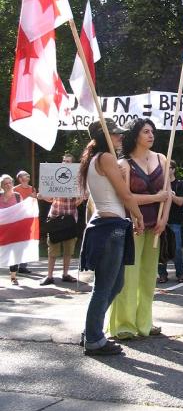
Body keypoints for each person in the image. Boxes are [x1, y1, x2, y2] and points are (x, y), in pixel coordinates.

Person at [79, 118, 144, 356]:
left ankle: (91, 330)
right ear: (103, 136)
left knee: (114, 284)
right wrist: (138, 217)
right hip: (110, 226)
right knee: (105, 286)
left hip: (109, 224)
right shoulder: (105, 158)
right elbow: (125, 193)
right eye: (115, 134)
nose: (120, 137)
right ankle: (94, 338)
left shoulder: (96, 159)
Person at [107, 118, 171, 341]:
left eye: (152, 131)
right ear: (136, 135)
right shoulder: (123, 164)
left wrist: (164, 219)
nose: (151, 135)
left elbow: (168, 194)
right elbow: (125, 197)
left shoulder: (162, 159)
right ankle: (124, 324)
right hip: (132, 224)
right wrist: (155, 198)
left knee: (148, 276)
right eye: (146, 131)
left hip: (155, 226)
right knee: (128, 275)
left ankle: (145, 322)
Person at [39, 154, 85, 286]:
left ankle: (65, 274)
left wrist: (79, 197)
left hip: (70, 218)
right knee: (52, 249)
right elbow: (49, 199)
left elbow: (78, 202)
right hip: (55, 217)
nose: (65, 162)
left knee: (68, 250)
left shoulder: (78, 179)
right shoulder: (54, 176)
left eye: (68, 161)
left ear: (73, 164)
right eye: (64, 160)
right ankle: (49, 276)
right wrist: (43, 195)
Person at [157, 160, 183, 283]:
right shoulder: (159, 184)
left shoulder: (180, 184)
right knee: (161, 249)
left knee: (177, 249)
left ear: (173, 169)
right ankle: (162, 274)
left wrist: (169, 194)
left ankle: (180, 273)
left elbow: (180, 202)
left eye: (168, 167)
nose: (165, 170)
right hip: (160, 220)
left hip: (174, 221)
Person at [0, 174, 23, 286]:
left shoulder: (18, 196)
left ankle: (13, 276)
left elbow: (23, 210)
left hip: (14, 229)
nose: (8, 185)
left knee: (14, 252)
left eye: (10, 183)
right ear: (1, 186)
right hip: (1, 229)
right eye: (5, 183)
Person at [14, 170, 37, 274]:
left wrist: (34, 197)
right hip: (17, 220)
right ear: (20, 178)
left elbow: (34, 202)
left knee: (26, 242)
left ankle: (23, 266)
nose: (28, 176)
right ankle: (14, 264)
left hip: (28, 218)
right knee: (16, 242)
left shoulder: (32, 189)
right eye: (25, 175)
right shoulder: (15, 190)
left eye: (28, 175)